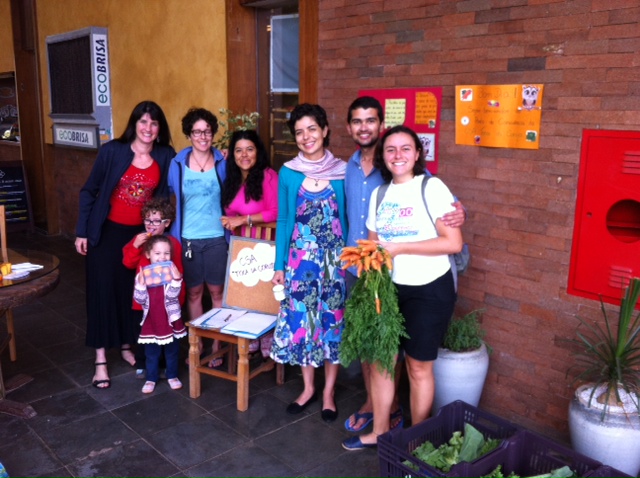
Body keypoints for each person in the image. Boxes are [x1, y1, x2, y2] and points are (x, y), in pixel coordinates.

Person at [343, 96, 467, 433]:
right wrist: (369, 276)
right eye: (391, 150)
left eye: (405, 149)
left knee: (417, 367)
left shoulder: (432, 186)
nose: (398, 155)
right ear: (383, 156)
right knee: (382, 362)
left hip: (430, 290)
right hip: (388, 289)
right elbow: (373, 247)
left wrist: (400, 248)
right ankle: (380, 433)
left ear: (417, 154)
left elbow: (453, 243)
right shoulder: (380, 194)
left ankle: (416, 437)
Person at [75, 100, 174, 389]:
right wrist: (82, 231)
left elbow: (185, 170)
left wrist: (219, 156)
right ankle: (101, 359)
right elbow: (89, 191)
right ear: (134, 124)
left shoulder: (165, 154)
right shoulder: (113, 151)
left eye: (153, 123)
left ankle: (127, 346)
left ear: (159, 128)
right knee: (102, 292)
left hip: (140, 236)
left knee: (133, 293)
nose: (148, 128)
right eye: (143, 121)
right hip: (106, 233)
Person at [270, 103, 347, 422]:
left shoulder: (343, 171)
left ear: (325, 130)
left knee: (332, 323)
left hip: (335, 265)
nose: (306, 137)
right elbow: (284, 220)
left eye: (312, 129)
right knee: (303, 324)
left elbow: (349, 217)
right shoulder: (288, 173)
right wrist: (278, 266)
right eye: (299, 132)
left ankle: (328, 392)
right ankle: (308, 388)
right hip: (300, 265)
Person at [168, 107, 227, 368]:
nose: (203, 136)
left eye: (207, 131)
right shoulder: (177, 164)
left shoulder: (223, 162)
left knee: (217, 292)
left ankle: (217, 344)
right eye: (197, 132)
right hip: (188, 238)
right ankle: (198, 344)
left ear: (213, 133)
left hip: (217, 237)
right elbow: (169, 194)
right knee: (193, 293)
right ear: (189, 134)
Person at [122, 197, 185, 377]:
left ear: (167, 223)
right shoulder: (139, 240)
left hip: (165, 300)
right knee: (143, 334)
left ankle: (165, 365)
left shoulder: (172, 243)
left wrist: (178, 300)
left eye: (156, 221)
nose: (151, 224)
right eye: (148, 220)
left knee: (167, 333)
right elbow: (127, 263)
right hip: (142, 301)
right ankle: (143, 363)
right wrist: (135, 246)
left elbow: (178, 272)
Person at [133, 235, 187, 394]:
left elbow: (172, 296)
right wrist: (141, 286)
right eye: (157, 253)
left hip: (170, 320)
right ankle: (151, 378)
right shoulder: (142, 275)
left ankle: (172, 375)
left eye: (166, 253)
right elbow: (140, 300)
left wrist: (176, 280)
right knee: (151, 353)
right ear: (148, 254)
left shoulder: (172, 273)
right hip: (152, 320)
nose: (162, 257)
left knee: (172, 351)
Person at [220, 129, 278, 239]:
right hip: (238, 244)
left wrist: (243, 219)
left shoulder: (268, 176)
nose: (244, 154)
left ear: (258, 152)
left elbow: (276, 212)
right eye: (238, 150)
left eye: (250, 149)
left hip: (263, 244)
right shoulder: (233, 179)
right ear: (233, 154)